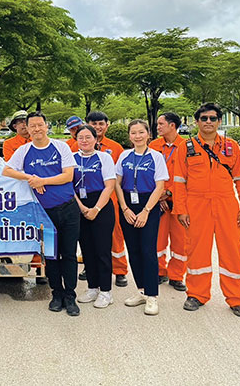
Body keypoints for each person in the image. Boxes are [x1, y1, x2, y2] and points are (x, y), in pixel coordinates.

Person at [173, 103, 240, 317]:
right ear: (196, 121)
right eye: (204, 118)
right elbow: (179, 182)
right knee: (196, 251)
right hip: (196, 205)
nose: (208, 122)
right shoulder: (186, 147)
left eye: (213, 118)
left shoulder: (231, 146)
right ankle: (197, 295)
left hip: (226, 205)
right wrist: (181, 210)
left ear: (219, 121)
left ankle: (237, 299)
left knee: (233, 252)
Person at [3, 112, 80, 316]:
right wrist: (31, 178)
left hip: (68, 208)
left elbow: (68, 176)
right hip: (43, 213)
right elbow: (7, 171)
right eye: (32, 126)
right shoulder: (24, 150)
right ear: (27, 129)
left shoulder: (61, 147)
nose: (37, 129)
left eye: (40, 125)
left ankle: (70, 296)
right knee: (51, 255)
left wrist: (43, 181)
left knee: (69, 254)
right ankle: (56, 294)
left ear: (47, 126)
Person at [114, 120, 168, 316]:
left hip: (148, 205)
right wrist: (124, 208)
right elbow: (117, 183)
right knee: (134, 250)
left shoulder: (156, 157)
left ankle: (152, 295)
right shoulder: (124, 156)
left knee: (147, 250)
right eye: (133, 133)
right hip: (128, 204)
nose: (137, 136)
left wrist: (145, 211)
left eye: (141, 132)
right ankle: (141, 291)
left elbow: (160, 186)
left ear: (148, 134)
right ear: (129, 136)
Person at [72, 125, 117, 309]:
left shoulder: (104, 158)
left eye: (88, 137)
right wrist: (82, 208)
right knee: (86, 249)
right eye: (80, 137)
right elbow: (68, 185)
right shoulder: (72, 159)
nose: (84, 140)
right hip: (79, 205)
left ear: (96, 139)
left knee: (102, 250)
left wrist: (96, 209)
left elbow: (109, 186)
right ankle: (92, 287)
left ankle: (106, 291)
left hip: (101, 206)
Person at [87, 110, 128, 288]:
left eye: (100, 124)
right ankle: (90, 268)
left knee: (116, 235)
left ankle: (119, 271)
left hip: (111, 199)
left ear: (107, 125)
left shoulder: (116, 147)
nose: (97, 127)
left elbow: (121, 176)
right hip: (88, 199)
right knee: (89, 237)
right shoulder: (76, 145)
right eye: (93, 124)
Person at [149, 112, 188, 291]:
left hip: (180, 202)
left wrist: (169, 192)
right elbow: (149, 173)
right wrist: (159, 196)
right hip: (159, 201)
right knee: (157, 240)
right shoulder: (154, 146)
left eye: (161, 123)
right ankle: (159, 272)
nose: (158, 127)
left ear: (172, 126)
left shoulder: (187, 146)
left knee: (181, 242)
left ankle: (177, 276)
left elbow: (188, 175)